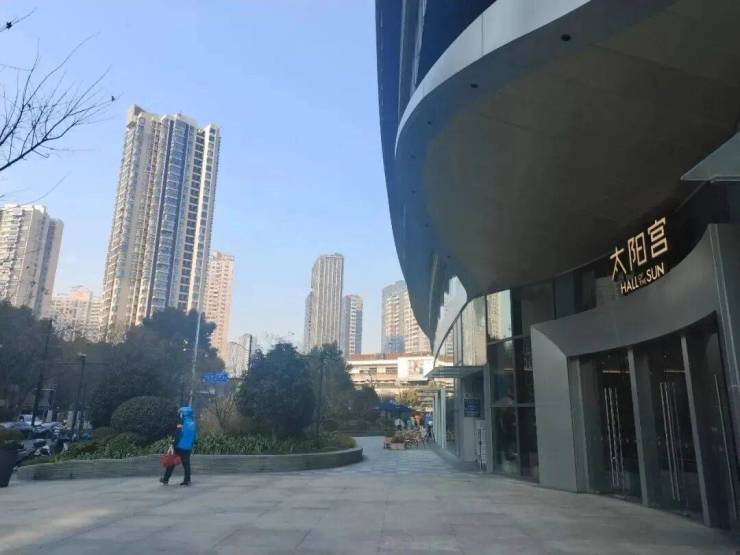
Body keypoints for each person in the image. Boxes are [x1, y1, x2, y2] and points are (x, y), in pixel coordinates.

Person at [160, 406, 197, 486]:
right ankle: (187, 480)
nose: (180, 414)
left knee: (171, 462)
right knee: (186, 464)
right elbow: (194, 436)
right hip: (188, 447)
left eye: (181, 413)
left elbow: (178, 435)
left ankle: (165, 479)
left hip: (179, 446)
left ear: (184, 414)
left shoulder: (182, 423)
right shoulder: (193, 423)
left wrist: (172, 444)